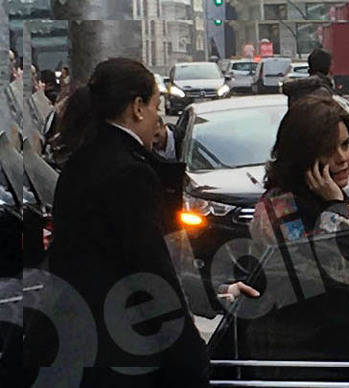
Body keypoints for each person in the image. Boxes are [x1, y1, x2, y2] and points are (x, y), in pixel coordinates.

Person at [39, 57, 258, 387]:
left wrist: (215, 294)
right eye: (156, 105)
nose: (159, 116)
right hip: (120, 353)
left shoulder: (84, 159)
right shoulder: (129, 171)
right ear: (137, 107)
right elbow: (151, 269)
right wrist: (189, 356)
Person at [246, 96, 349, 369]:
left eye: (346, 145)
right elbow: (318, 274)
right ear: (303, 154)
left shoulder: (326, 197)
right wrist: (335, 208)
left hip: (343, 347)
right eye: (328, 149)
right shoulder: (279, 207)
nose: (342, 158)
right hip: (300, 357)